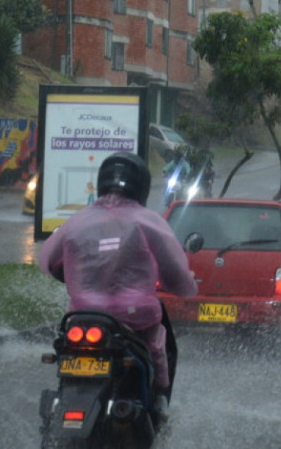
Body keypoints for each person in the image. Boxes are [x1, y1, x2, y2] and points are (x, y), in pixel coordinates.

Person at [39, 152, 198, 420]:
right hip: (134, 317)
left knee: (63, 346)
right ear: (142, 186)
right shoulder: (148, 222)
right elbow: (179, 276)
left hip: (81, 317)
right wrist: (185, 287)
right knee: (159, 344)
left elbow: (47, 262)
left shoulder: (76, 222)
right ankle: (159, 399)